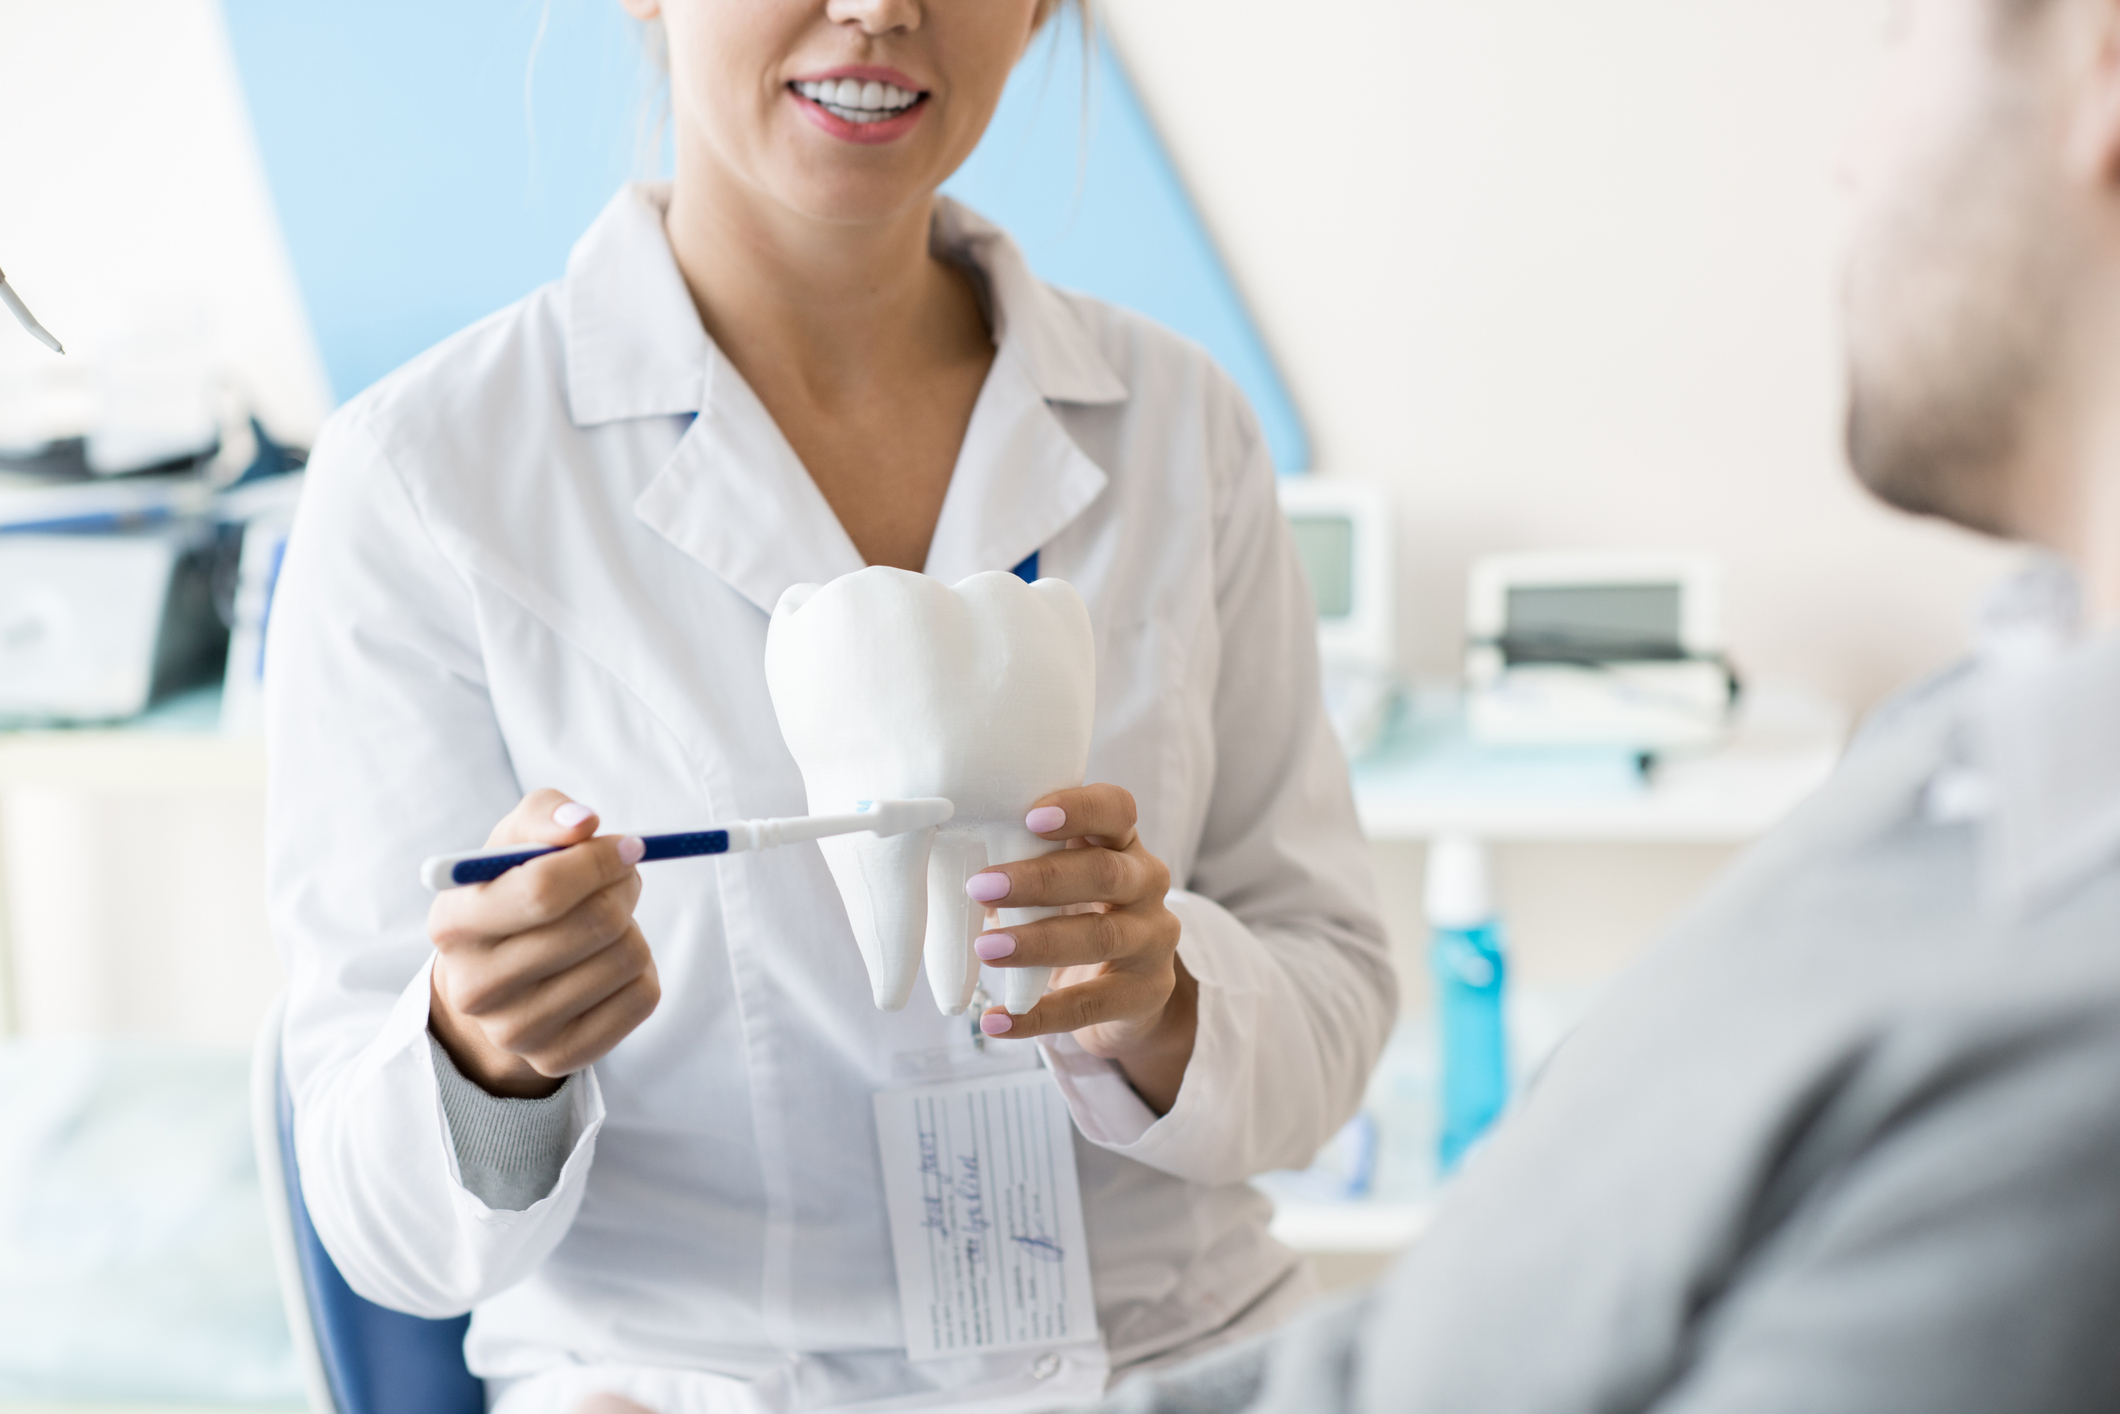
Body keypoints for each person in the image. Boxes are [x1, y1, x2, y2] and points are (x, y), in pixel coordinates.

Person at [262, 1, 1394, 1411]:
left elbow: (1335, 989)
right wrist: (485, 1053)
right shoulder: (425, 475)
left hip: (1171, 1354)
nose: (879, 10)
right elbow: (385, 1227)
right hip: (694, 1382)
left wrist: (1163, 999)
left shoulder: (1179, 422)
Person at [1077, 1, 2120, 1411]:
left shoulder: (2064, 1050)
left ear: (2101, 72)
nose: (1851, 160)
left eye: (1902, 35)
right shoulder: (1959, 743)